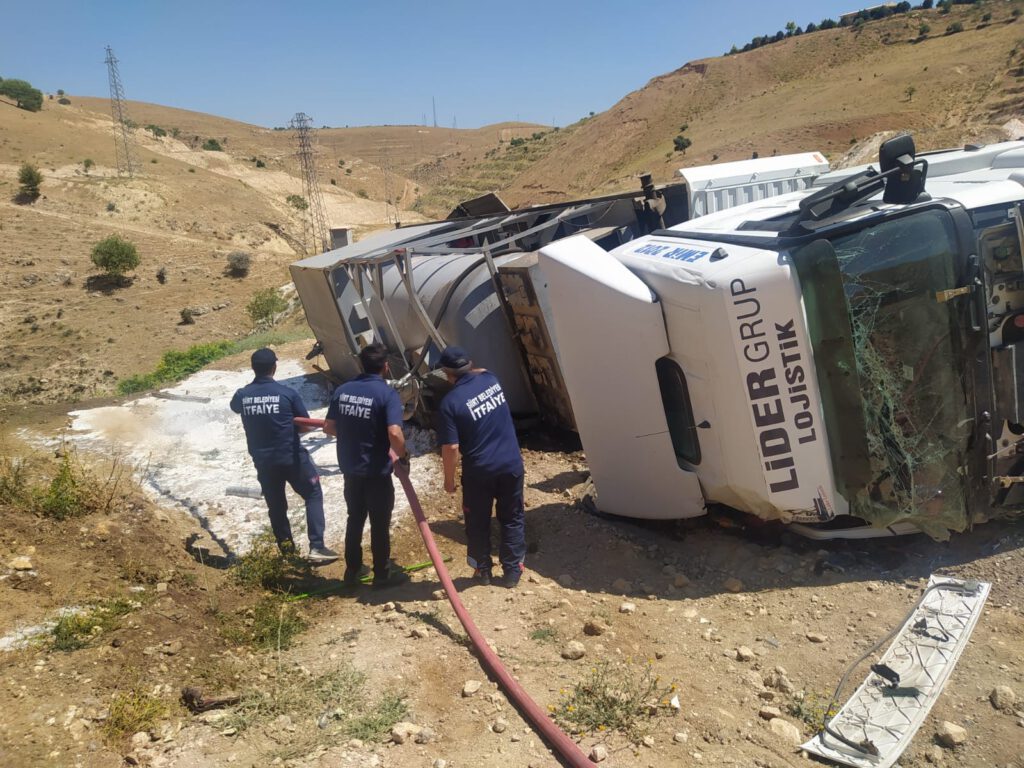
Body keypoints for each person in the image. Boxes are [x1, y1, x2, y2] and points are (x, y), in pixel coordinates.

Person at [230, 348, 337, 563]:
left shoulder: (242, 395)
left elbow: (235, 407)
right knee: (313, 493)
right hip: (291, 457)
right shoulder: (286, 394)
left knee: (277, 506)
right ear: (274, 367)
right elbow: (306, 425)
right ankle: (316, 546)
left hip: (263, 461)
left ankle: (288, 553)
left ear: (253, 368)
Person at [437, 345, 526, 588]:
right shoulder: (491, 379)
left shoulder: (450, 404)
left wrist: (449, 480)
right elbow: (482, 370)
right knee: (512, 517)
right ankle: (512, 572)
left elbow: (451, 448)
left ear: (446, 373)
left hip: (479, 472)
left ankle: (482, 570)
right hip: (511, 464)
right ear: (471, 365)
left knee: (477, 521)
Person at [324, 343, 410, 589]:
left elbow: (328, 427)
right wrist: (402, 456)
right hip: (376, 472)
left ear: (361, 364)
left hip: (351, 470)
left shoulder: (344, 390)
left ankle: (352, 572)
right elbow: (394, 432)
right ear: (385, 366)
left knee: (355, 518)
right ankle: (382, 575)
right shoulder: (386, 394)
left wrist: (352, 434)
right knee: (379, 524)